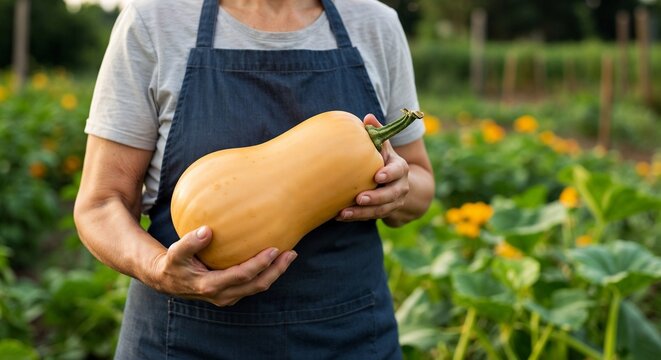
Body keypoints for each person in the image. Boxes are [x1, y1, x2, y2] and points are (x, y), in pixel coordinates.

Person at [74, 0, 435, 358]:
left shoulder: (376, 23)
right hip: (184, 339)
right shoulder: (153, 21)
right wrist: (158, 268)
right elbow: (101, 204)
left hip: (347, 336)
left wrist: (397, 189)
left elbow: (419, 180)